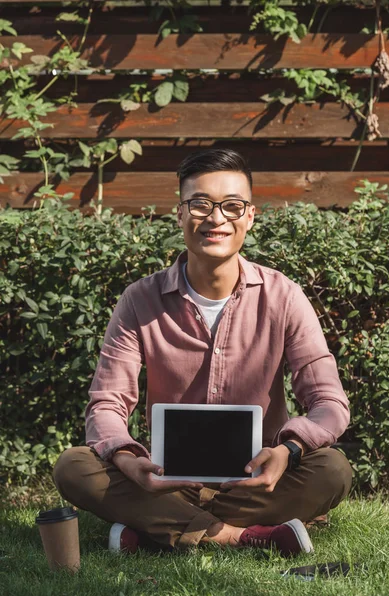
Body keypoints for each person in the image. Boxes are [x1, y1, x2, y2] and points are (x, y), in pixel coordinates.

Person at [53, 149, 352, 557]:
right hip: (167, 478)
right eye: (200, 204)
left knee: (332, 469)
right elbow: (107, 403)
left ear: (249, 216)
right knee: (74, 466)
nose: (215, 218)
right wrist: (127, 460)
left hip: (256, 479)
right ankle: (245, 534)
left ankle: (154, 528)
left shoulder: (284, 296)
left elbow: (329, 403)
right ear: (180, 214)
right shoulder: (140, 300)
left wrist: (287, 451)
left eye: (231, 206)